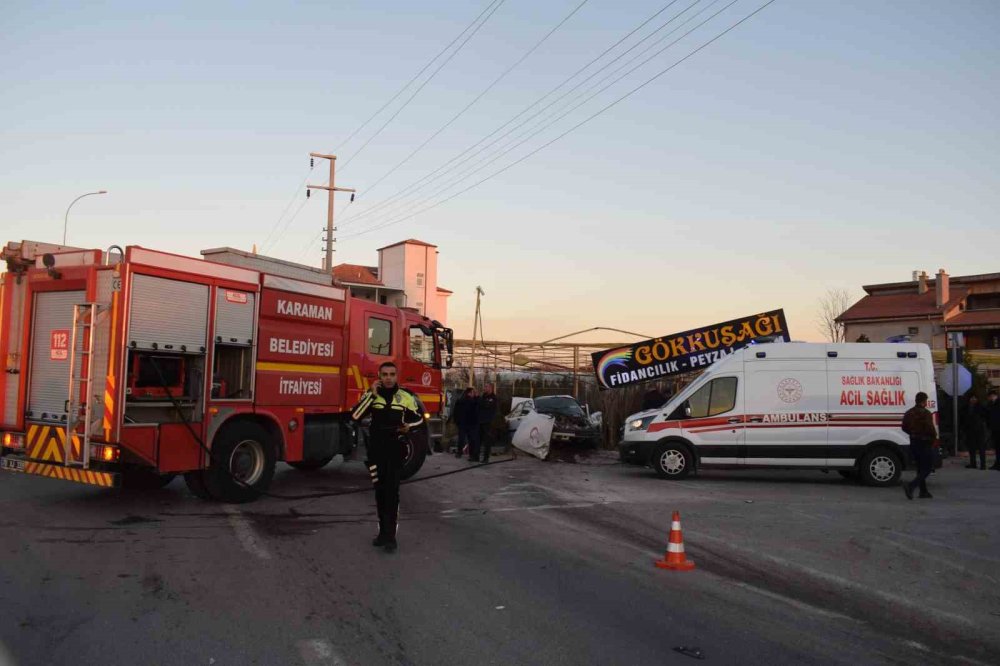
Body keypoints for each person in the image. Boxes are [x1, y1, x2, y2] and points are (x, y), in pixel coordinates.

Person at [351, 362, 423, 553]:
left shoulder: (406, 397)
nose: (388, 378)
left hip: (395, 452)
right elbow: (355, 415)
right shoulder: (371, 395)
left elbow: (420, 418)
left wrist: (409, 427)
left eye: (392, 374)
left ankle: (391, 537)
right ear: (379, 376)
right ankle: (382, 534)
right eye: (385, 374)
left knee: (392, 494)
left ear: (396, 376)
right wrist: (371, 396)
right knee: (379, 493)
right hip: (375, 453)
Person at [902, 391, 938, 500]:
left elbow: (904, 427)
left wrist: (913, 434)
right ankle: (911, 486)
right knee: (927, 468)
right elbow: (930, 428)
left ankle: (923, 491)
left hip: (914, 442)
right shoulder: (925, 413)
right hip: (924, 442)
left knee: (920, 467)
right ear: (923, 401)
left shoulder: (909, 412)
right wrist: (933, 438)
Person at [451, 387, 479, 460]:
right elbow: (477, 411)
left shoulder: (460, 401)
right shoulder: (473, 401)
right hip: (471, 424)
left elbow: (455, 412)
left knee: (461, 439)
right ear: (469, 393)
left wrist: (457, 421)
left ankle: (459, 453)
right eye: (472, 392)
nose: (473, 394)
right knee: (472, 439)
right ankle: (471, 454)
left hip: (462, 423)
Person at [964, 394, 989, 470]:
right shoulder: (967, 407)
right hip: (970, 430)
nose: (973, 399)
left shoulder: (980, 407)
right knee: (972, 448)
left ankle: (983, 465)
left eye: (975, 398)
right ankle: (973, 463)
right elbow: (964, 418)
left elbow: (986, 416)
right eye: (972, 398)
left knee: (981, 448)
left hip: (979, 430)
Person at [476, 383, 499, 463]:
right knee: (478, 440)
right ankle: (476, 457)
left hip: (488, 422)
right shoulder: (483, 396)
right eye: (484, 386)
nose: (484, 388)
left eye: (486, 386)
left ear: (491, 388)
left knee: (487, 441)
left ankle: (486, 458)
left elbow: (486, 405)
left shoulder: (493, 398)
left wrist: (479, 399)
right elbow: (479, 405)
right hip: (480, 421)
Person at [987, 389, 1000, 471]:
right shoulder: (992, 404)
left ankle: (998, 464)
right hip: (995, 428)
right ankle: (997, 463)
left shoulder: (997, 403)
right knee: (997, 447)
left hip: (998, 428)